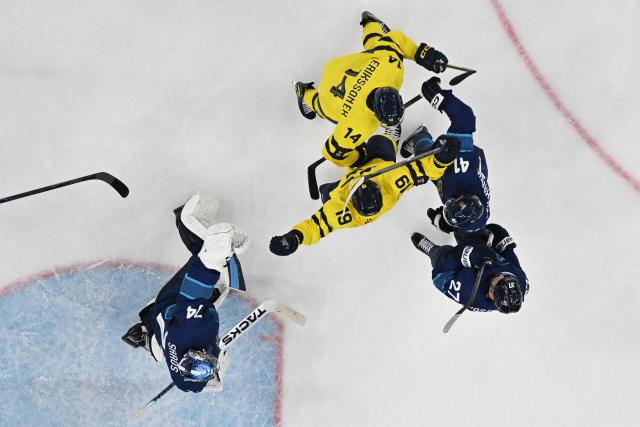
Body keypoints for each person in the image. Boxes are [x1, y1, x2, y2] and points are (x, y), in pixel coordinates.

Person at [121, 193, 248, 392]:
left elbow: (198, 282)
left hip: (173, 301)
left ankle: (186, 220)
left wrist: (221, 248)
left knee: (222, 265)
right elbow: (200, 386)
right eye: (208, 368)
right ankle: (147, 329)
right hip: (166, 324)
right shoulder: (184, 379)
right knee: (226, 277)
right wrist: (216, 376)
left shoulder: (191, 326)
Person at [295, 11, 449, 168]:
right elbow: (332, 153)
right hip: (331, 89)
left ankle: (371, 23)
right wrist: (360, 157)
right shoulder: (355, 125)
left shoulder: (388, 68)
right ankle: (305, 94)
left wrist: (423, 54)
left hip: (343, 66)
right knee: (325, 108)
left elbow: (395, 40)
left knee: (380, 50)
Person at [269, 134, 460, 256]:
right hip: (377, 164)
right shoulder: (393, 181)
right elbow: (424, 169)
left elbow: (315, 227)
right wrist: (441, 159)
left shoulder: (339, 212)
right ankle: (396, 134)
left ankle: (348, 169)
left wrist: (295, 237)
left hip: (349, 181)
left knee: (327, 193)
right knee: (381, 141)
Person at [400, 77, 490, 237]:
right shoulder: (463, 167)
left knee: (429, 170)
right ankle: (420, 137)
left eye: (448, 205)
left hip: (454, 181)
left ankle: (422, 144)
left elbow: (463, 221)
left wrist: (445, 222)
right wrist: (439, 97)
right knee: (425, 159)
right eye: (451, 203)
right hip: (458, 164)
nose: (448, 203)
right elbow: (465, 117)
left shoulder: (477, 218)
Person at [410, 224, 529, 313]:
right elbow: (508, 251)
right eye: (507, 276)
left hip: (456, 267)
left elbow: (439, 277)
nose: (501, 275)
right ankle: (450, 221)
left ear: (492, 294)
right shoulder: (522, 281)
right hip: (481, 247)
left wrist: (464, 255)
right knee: (471, 221)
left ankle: (432, 249)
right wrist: (501, 237)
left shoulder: (468, 293)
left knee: (441, 255)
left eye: (499, 280)